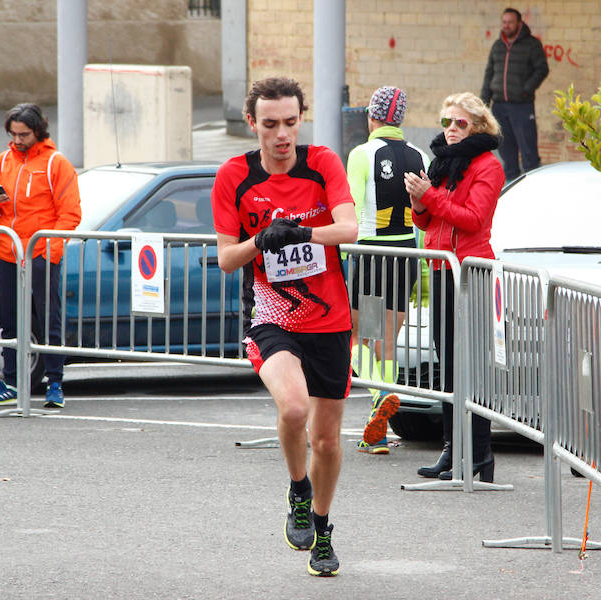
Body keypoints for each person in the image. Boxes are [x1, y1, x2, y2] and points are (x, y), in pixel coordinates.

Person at [210, 77, 358, 577]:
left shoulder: (323, 163)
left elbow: (349, 227)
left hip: (330, 318)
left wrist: (299, 232)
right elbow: (227, 258)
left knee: (328, 441)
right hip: (272, 313)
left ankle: (321, 525)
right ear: (252, 123)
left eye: (291, 123)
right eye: (270, 124)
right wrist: (262, 240)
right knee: (293, 407)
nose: (281, 135)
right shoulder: (235, 175)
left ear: (301, 119)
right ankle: (299, 490)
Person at [403, 92, 505, 482]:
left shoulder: (488, 166)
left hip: (472, 273)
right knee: (447, 363)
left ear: (478, 126)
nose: (450, 129)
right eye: (447, 122)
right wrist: (420, 202)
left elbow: (473, 218)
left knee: (471, 366)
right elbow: (429, 225)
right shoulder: (444, 163)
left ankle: (478, 453)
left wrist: (430, 196)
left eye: (459, 123)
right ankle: (453, 448)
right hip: (444, 269)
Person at [0, 103, 81, 409]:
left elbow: (70, 213)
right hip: (9, 252)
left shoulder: (56, 163)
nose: (18, 139)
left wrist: (50, 249)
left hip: (41, 252)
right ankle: (9, 382)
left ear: (38, 132)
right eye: (14, 134)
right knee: (8, 319)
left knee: (49, 319)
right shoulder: (2, 161)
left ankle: (55, 383)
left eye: (24, 134)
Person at [346, 86, 430, 455]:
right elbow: (424, 221)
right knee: (387, 345)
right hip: (406, 255)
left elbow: (349, 208)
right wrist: (424, 275)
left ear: (372, 116)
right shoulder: (419, 155)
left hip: (369, 253)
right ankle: (375, 434)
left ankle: (382, 394)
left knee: (361, 339)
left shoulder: (362, 154)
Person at [480, 7, 549, 182]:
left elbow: (542, 69)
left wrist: (526, 89)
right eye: (504, 22)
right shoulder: (497, 46)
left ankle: (533, 186)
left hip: (522, 106)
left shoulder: (531, 44)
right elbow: (489, 74)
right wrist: (483, 104)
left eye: (510, 22)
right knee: (506, 150)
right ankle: (511, 184)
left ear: (519, 23)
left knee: (528, 153)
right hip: (499, 107)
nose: (506, 26)